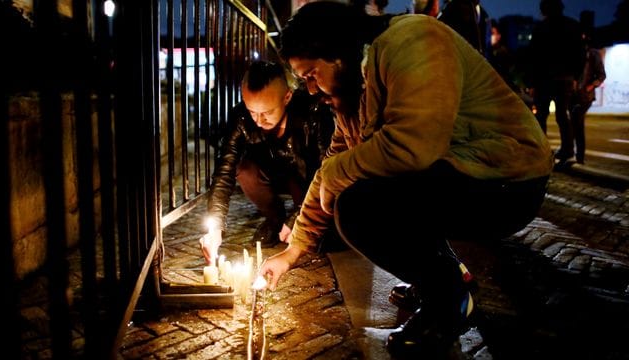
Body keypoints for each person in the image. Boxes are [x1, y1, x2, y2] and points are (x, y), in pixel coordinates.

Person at [259, 2, 553, 358]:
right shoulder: (354, 93)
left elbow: (413, 146)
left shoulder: (414, 39)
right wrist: (293, 251)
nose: (310, 88)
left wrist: (336, 177)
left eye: (310, 74)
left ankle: (450, 303)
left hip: (510, 180)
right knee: (356, 189)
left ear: (336, 53)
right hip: (458, 175)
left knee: (358, 206)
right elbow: (332, 166)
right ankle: (446, 277)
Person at [200, 60, 334, 264]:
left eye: (267, 112)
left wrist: (299, 218)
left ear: (287, 97)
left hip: (304, 176)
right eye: (253, 112)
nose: (259, 121)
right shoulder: (241, 118)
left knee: (318, 232)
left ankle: (297, 222)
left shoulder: (312, 112)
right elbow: (224, 172)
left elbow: (325, 170)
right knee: (244, 170)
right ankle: (275, 221)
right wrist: (215, 226)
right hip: (271, 174)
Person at [527, 0, 585, 164]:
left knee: (541, 116)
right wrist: (575, 76)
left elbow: (533, 56)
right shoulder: (573, 26)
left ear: (544, 10)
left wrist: (531, 82)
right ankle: (567, 150)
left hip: (544, 78)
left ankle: (541, 150)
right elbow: (580, 54)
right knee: (562, 115)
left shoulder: (540, 28)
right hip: (565, 77)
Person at [570, 35, 606, 164]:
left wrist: (590, 86)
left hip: (585, 96)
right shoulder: (573, 54)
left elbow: (602, 75)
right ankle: (570, 152)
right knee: (572, 124)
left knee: (577, 123)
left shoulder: (592, 54)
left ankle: (579, 157)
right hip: (572, 95)